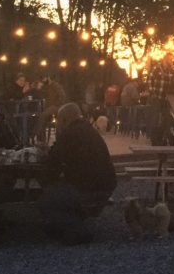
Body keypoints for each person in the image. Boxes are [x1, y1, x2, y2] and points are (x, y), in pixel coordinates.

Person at [39, 103, 117, 244]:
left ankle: (77, 231)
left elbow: (52, 164)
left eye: (59, 121)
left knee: (48, 198)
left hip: (89, 188)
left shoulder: (69, 134)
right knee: (59, 191)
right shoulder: (88, 130)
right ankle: (74, 221)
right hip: (106, 185)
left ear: (64, 120)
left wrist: (45, 182)